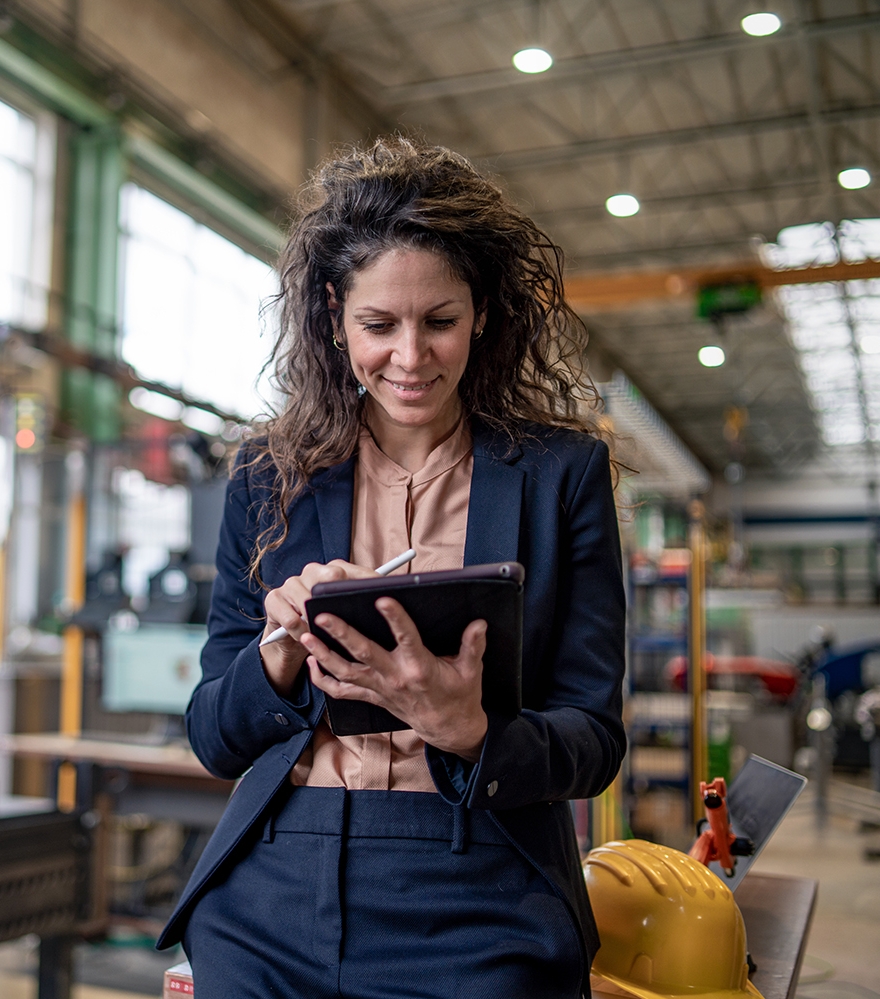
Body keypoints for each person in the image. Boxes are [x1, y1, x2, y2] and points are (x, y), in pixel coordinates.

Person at [157, 136, 627, 999]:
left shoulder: (562, 474)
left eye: (439, 321)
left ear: (482, 312)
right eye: (379, 325)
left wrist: (472, 731)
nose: (410, 359)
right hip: (278, 876)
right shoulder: (268, 476)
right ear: (335, 316)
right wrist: (277, 656)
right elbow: (214, 736)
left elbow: (594, 741)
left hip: (480, 877)